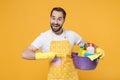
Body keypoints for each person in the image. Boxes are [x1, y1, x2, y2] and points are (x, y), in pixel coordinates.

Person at [22, 7, 86, 80]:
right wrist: (44, 55)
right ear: (50, 18)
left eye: (59, 19)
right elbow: (25, 54)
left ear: (64, 20)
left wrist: (97, 50)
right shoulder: (44, 37)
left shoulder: (72, 35)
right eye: (53, 18)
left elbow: (87, 46)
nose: (55, 22)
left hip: (71, 77)